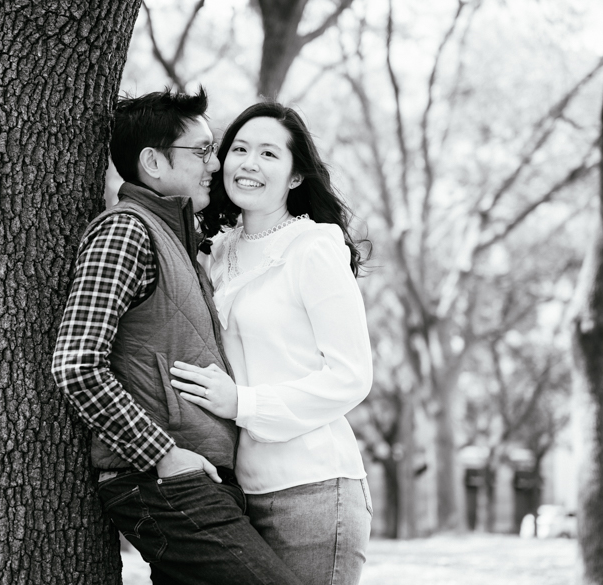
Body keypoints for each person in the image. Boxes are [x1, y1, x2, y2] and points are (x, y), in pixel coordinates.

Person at [51, 89, 302, 585]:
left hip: (195, 478)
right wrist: (163, 456)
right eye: (202, 150)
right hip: (161, 482)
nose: (217, 163)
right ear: (153, 161)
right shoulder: (125, 232)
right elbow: (76, 363)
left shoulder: (179, 241)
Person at [169, 102, 373, 585]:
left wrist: (244, 403)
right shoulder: (215, 252)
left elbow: (351, 376)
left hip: (315, 489)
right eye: (239, 149)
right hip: (237, 492)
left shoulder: (314, 248)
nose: (249, 164)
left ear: (296, 176)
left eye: (268, 153)